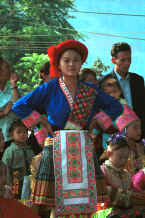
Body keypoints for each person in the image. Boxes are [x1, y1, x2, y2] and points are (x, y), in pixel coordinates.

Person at [12, 40, 123, 217]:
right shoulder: (49, 88)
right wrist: (40, 118)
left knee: (85, 200)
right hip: (56, 147)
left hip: (83, 148)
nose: (71, 64)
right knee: (57, 202)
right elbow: (19, 106)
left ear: (81, 63)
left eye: (76, 60)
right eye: (66, 60)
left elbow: (116, 107)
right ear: (59, 64)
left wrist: (96, 121)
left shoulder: (90, 90)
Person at [98, 133, 145, 218]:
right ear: (109, 154)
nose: (123, 161)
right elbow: (105, 195)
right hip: (107, 211)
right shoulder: (103, 171)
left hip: (125, 209)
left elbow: (132, 192)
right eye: (120, 157)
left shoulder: (126, 174)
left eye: (126, 157)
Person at [109, 42, 145, 137]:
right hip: (117, 139)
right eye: (123, 60)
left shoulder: (139, 80)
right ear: (113, 60)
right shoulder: (104, 82)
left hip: (139, 137)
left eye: (129, 59)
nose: (127, 63)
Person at [2, 120, 35, 199]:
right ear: (11, 135)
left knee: (28, 200)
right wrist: (8, 185)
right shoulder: (10, 151)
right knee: (16, 199)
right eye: (19, 132)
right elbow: (5, 168)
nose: (22, 134)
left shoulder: (30, 150)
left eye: (25, 132)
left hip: (30, 182)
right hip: (15, 182)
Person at [116, 105, 144, 176]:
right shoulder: (117, 150)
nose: (139, 131)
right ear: (124, 130)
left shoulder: (141, 147)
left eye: (140, 128)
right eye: (135, 128)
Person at [0, 56, 21, 147]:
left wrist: (13, 85)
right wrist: (4, 112)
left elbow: (19, 106)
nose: (10, 70)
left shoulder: (14, 88)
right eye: (7, 68)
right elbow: (10, 108)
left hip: (14, 137)